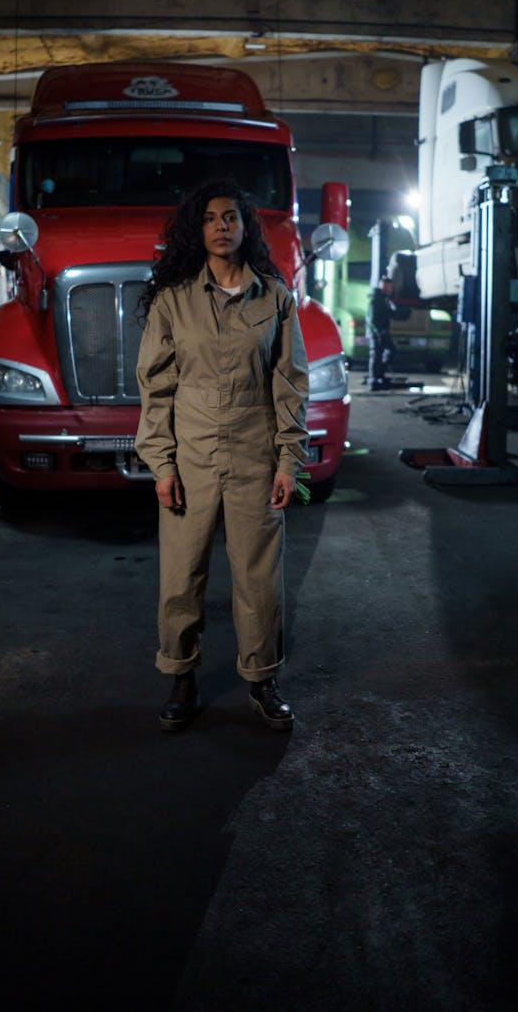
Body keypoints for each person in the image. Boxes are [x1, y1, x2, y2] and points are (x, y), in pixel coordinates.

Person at [135, 180, 309, 733]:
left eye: (230, 216)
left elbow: (290, 385)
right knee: (181, 575)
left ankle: (262, 679)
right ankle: (181, 677)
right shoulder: (174, 300)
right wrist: (162, 465)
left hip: (256, 453)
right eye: (210, 218)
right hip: (192, 456)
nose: (221, 226)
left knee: (259, 578)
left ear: (245, 226)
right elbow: (155, 388)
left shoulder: (274, 298)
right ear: (198, 228)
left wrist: (289, 461)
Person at [366, 274, 395, 390]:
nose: (391, 289)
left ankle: (379, 375)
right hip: (376, 333)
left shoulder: (384, 299)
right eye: (389, 287)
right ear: (383, 287)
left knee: (389, 351)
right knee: (376, 355)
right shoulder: (376, 300)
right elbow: (372, 319)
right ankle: (373, 379)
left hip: (382, 332)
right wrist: (378, 332)